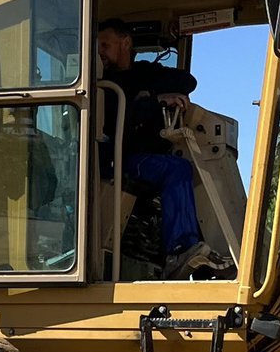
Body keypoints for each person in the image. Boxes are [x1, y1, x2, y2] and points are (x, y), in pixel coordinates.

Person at [97, 17, 233, 279]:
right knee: (176, 169)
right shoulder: (102, 85)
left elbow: (187, 80)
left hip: (145, 157)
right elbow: (119, 121)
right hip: (119, 157)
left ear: (125, 43)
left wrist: (152, 93)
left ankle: (203, 258)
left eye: (105, 45)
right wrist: (152, 102)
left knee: (196, 173)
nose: (100, 52)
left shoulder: (144, 73)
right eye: (98, 46)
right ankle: (180, 249)